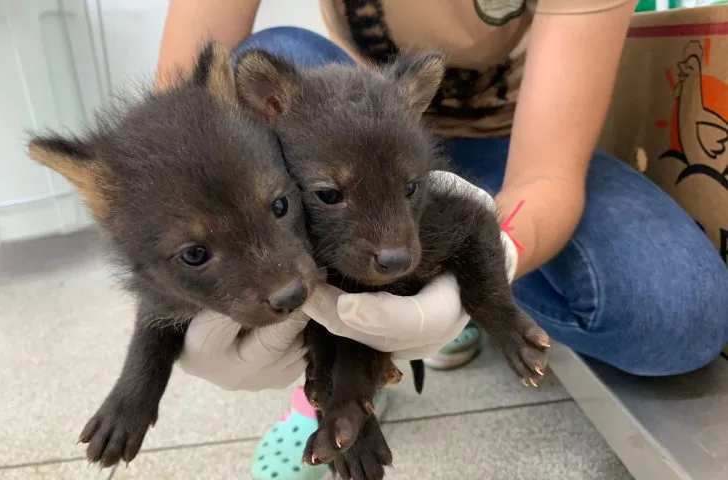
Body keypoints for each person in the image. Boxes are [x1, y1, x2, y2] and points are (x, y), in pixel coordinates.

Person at [156, 1, 728, 479]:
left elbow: (548, 171)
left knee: (680, 315)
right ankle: (329, 374)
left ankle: (443, 284)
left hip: (513, 136)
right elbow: (178, 121)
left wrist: (493, 265)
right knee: (278, 48)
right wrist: (193, 262)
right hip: (348, 124)